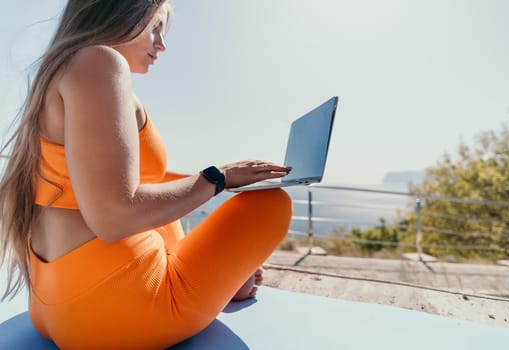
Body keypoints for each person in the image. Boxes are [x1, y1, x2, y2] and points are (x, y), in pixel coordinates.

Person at [0, 1, 293, 348]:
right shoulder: (99, 61)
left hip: (54, 303)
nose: (161, 44)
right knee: (270, 204)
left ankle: (223, 280)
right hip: (112, 311)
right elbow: (113, 217)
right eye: (154, 27)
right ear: (119, 13)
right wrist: (219, 178)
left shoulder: (64, 70)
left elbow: (133, 181)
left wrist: (228, 180)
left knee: (167, 206)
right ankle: (222, 282)